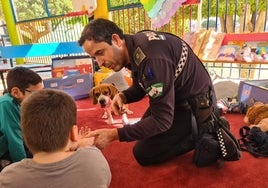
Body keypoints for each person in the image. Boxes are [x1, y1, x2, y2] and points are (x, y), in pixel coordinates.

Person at [78, 18, 219, 166]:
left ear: (116, 40)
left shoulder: (152, 58)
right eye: (95, 57)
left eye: (100, 52)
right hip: (173, 96)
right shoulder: (135, 46)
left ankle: (201, 130)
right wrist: (123, 95)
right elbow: (143, 85)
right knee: (144, 131)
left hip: (195, 105)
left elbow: (162, 120)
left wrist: (114, 134)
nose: (100, 63)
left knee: (143, 153)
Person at [0, 89, 111, 188]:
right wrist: (80, 145)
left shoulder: (8, 178)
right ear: (73, 132)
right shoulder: (95, 158)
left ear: (24, 135)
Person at [0, 67, 43, 171]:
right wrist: (24, 169)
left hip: (14, 145)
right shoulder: (7, 104)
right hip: (4, 152)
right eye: (35, 94)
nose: (39, 98)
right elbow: (14, 140)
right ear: (16, 92)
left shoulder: (19, 102)